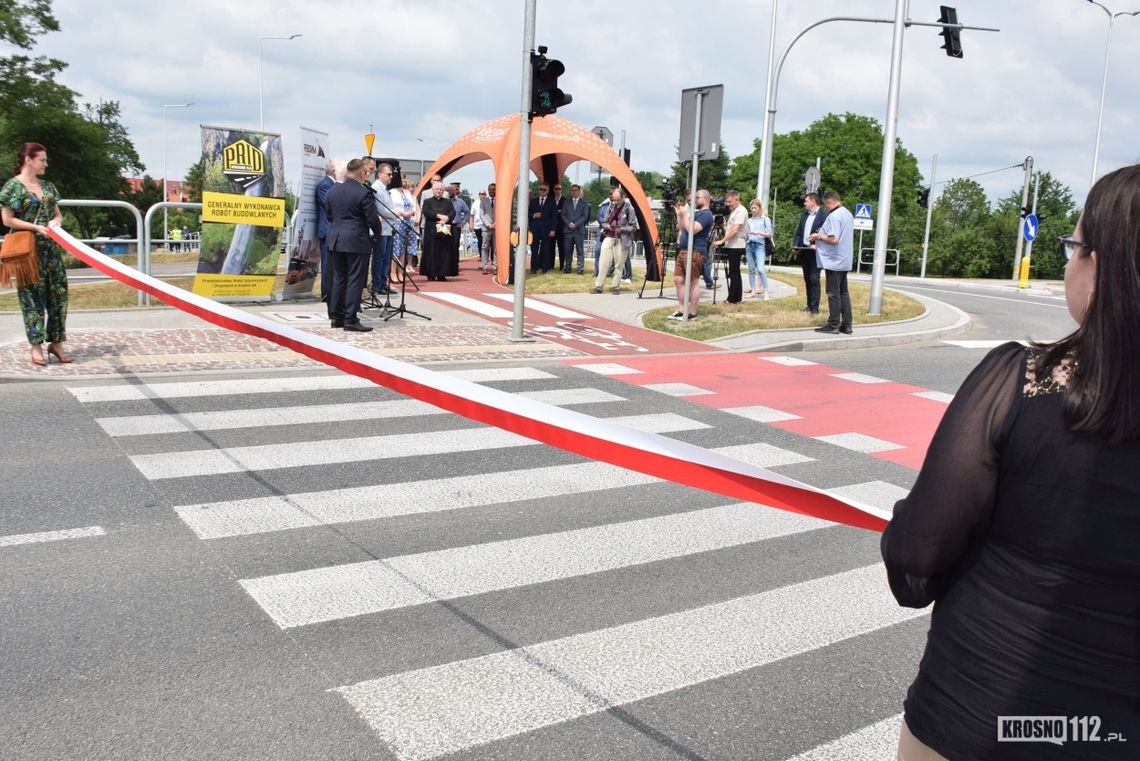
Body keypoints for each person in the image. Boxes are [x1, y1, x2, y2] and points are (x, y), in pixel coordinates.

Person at [881, 164, 1140, 761]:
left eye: (1075, 245)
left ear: (1104, 267)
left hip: (981, 705)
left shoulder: (1021, 381)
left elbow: (918, 552)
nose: (1069, 260)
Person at [1, 142, 69, 366]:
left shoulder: (48, 186)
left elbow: (58, 214)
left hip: (50, 249)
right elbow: (7, 219)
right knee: (32, 298)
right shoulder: (12, 187)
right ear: (28, 160)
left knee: (58, 295)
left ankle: (56, 343)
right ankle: (36, 346)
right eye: (42, 160)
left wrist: (55, 222)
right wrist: (35, 226)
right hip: (27, 251)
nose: (46, 164)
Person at [324, 158, 382, 332]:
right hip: (356, 240)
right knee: (355, 279)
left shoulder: (332, 191)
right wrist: (377, 234)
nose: (367, 175)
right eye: (366, 172)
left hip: (336, 239)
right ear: (361, 173)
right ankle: (350, 319)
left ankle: (337, 317)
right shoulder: (363, 193)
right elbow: (372, 219)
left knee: (339, 279)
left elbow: (329, 216)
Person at [810, 189, 853, 335]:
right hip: (844, 259)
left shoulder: (834, 216)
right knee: (843, 293)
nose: (825, 208)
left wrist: (818, 237)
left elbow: (834, 239)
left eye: (825, 205)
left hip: (834, 260)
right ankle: (847, 325)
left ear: (830, 201)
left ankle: (833, 324)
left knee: (833, 293)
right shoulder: (847, 213)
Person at [670, 188, 714, 320]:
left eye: (697, 198)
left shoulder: (706, 215)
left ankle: (692, 312)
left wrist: (684, 215)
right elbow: (682, 227)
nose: (693, 200)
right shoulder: (695, 213)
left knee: (693, 282)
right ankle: (681, 309)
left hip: (695, 251)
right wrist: (679, 215)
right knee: (678, 280)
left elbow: (692, 230)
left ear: (705, 199)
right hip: (684, 250)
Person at [590, 187, 638, 295]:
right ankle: (598, 286)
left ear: (623, 197)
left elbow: (633, 227)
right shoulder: (611, 207)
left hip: (622, 239)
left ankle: (615, 286)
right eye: (614, 199)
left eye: (618, 200)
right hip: (609, 236)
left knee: (619, 264)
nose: (615, 202)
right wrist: (609, 227)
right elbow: (604, 222)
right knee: (603, 262)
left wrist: (621, 229)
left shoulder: (629, 209)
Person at [792, 192, 826, 313]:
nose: (804, 203)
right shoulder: (804, 215)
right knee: (807, 278)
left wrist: (817, 243)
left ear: (813, 201)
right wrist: (796, 244)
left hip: (817, 252)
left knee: (814, 279)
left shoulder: (824, 215)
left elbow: (826, 234)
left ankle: (815, 308)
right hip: (805, 250)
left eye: (806, 201)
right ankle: (809, 306)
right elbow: (799, 232)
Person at [369, 162, 400, 296]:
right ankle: (376, 284)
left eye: (391, 174)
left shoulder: (385, 188)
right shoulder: (376, 188)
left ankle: (383, 282)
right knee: (379, 257)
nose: (391, 177)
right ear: (380, 174)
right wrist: (395, 213)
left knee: (387, 257)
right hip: (381, 228)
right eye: (388, 174)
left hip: (389, 228)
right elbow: (381, 209)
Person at [713, 190, 748, 303]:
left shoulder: (741, 211)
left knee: (733, 272)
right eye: (727, 202)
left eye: (730, 201)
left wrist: (722, 241)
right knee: (734, 272)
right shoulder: (734, 211)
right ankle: (736, 297)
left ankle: (733, 298)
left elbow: (734, 230)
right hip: (731, 244)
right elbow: (729, 230)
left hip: (736, 245)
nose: (728, 204)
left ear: (736, 199)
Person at [418, 180, 455, 281]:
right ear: (433, 190)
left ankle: (442, 273)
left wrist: (447, 218)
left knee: (444, 251)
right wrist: (439, 216)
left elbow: (453, 212)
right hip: (431, 229)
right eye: (437, 189)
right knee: (431, 251)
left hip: (444, 228)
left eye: (441, 189)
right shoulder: (427, 201)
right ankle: (430, 273)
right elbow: (426, 211)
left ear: (443, 191)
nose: (439, 191)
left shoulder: (448, 202)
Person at [314, 158, 337, 302]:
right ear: (334, 171)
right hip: (327, 229)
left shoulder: (334, 184)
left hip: (335, 230)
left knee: (334, 265)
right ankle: (327, 294)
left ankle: (333, 293)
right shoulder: (324, 185)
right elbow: (329, 206)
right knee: (328, 264)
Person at [390, 177, 420, 282]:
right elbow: (391, 206)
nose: (402, 181)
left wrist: (412, 213)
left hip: (408, 222)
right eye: (400, 179)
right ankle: (393, 272)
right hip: (398, 221)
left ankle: (401, 272)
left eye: (403, 179)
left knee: (404, 249)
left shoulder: (408, 193)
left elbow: (414, 207)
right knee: (396, 249)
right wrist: (402, 213)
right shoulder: (392, 192)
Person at [744, 200, 773, 300]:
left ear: (760, 208)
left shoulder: (765, 219)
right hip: (749, 245)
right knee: (751, 269)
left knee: (760, 269)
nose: (753, 210)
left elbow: (769, 233)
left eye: (755, 208)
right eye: (752, 208)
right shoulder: (749, 221)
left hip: (760, 245)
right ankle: (753, 290)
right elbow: (747, 234)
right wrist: (746, 237)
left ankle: (765, 292)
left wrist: (758, 233)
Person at [528, 182, 557, 273]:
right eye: (540, 189)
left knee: (546, 249)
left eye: (544, 189)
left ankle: (545, 268)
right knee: (534, 250)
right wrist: (534, 215)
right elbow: (528, 214)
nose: (542, 191)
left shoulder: (551, 201)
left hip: (547, 230)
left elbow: (554, 216)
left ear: (548, 191)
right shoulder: (534, 201)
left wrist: (553, 229)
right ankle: (533, 268)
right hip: (535, 229)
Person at [562, 183, 589, 274]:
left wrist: (576, 224)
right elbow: (563, 215)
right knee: (567, 250)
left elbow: (584, 216)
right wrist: (569, 223)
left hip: (579, 231)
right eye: (572, 190)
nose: (574, 192)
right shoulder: (566, 202)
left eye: (575, 190)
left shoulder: (584, 203)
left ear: (579, 191)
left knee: (580, 250)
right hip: (568, 230)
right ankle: (567, 268)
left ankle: (580, 269)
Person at [447, 183, 469, 276]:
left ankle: (455, 265)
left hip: (456, 226)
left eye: (452, 190)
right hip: (446, 226)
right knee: (446, 246)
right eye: (449, 191)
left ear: (456, 192)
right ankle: (446, 265)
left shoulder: (460, 202)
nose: (450, 192)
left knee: (455, 246)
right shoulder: (445, 201)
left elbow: (467, 212)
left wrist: (463, 223)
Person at [479, 183, 496, 274]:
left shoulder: (500, 199)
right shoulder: (484, 201)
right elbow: (481, 214)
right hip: (486, 228)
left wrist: (496, 223)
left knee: (496, 248)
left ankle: (495, 266)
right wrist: (489, 224)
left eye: (494, 189)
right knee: (485, 247)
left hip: (497, 228)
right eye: (490, 189)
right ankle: (484, 266)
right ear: (488, 190)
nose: (492, 191)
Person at [552, 183, 567, 272]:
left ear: (561, 190)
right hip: (552, 227)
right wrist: (558, 211)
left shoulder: (565, 200)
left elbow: (565, 212)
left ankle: (562, 266)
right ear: (554, 190)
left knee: (562, 248)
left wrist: (558, 212)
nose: (558, 190)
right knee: (551, 247)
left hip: (562, 228)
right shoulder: (550, 200)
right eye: (556, 189)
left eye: (559, 189)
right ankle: (551, 265)